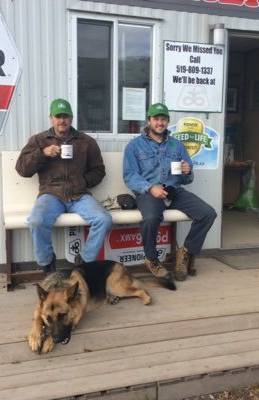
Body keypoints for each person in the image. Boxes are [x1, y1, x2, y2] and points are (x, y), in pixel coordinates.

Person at [16, 98, 112, 274]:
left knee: (103, 219)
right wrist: (42, 153)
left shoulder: (86, 141)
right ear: (51, 118)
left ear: (72, 118)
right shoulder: (39, 140)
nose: (62, 120)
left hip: (79, 195)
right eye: (58, 116)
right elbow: (22, 169)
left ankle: (84, 262)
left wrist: (82, 182)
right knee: (36, 221)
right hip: (51, 195)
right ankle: (47, 265)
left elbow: (99, 171)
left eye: (66, 116)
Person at [123, 103, 217, 282]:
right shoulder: (135, 146)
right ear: (149, 121)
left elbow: (188, 178)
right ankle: (151, 259)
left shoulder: (177, 145)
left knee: (208, 213)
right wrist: (151, 188)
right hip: (149, 192)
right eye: (156, 119)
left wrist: (187, 170)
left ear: (167, 121)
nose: (160, 122)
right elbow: (129, 175)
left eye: (163, 119)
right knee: (151, 217)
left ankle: (185, 253)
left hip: (175, 190)